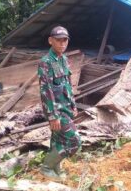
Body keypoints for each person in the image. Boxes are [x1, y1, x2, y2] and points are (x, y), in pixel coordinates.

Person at [38, 26, 81, 180]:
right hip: (56, 111)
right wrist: (52, 115)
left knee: (58, 139)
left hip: (66, 107)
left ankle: (55, 167)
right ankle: (46, 167)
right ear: (51, 41)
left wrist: (73, 104)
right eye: (58, 40)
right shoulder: (46, 62)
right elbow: (46, 90)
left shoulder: (64, 59)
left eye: (65, 40)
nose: (62, 44)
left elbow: (67, 84)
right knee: (74, 141)